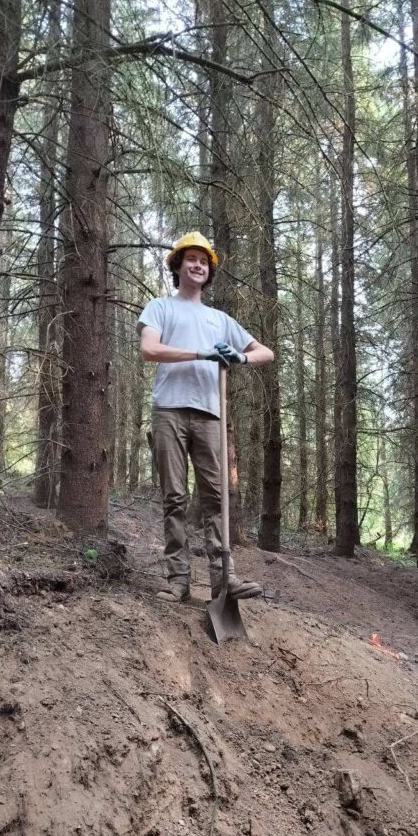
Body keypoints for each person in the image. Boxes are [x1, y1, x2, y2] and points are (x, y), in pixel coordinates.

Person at [138, 231, 274, 603]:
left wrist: (240, 357)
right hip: (169, 409)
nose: (197, 265)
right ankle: (178, 580)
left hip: (210, 414)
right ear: (178, 266)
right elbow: (149, 349)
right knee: (175, 497)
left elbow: (266, 352)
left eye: (204, 261)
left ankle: (223, 580)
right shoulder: (160, 307)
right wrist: (201, 354)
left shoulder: (220, 319)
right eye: (191, 259)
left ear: (208, 271)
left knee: (216, 498)